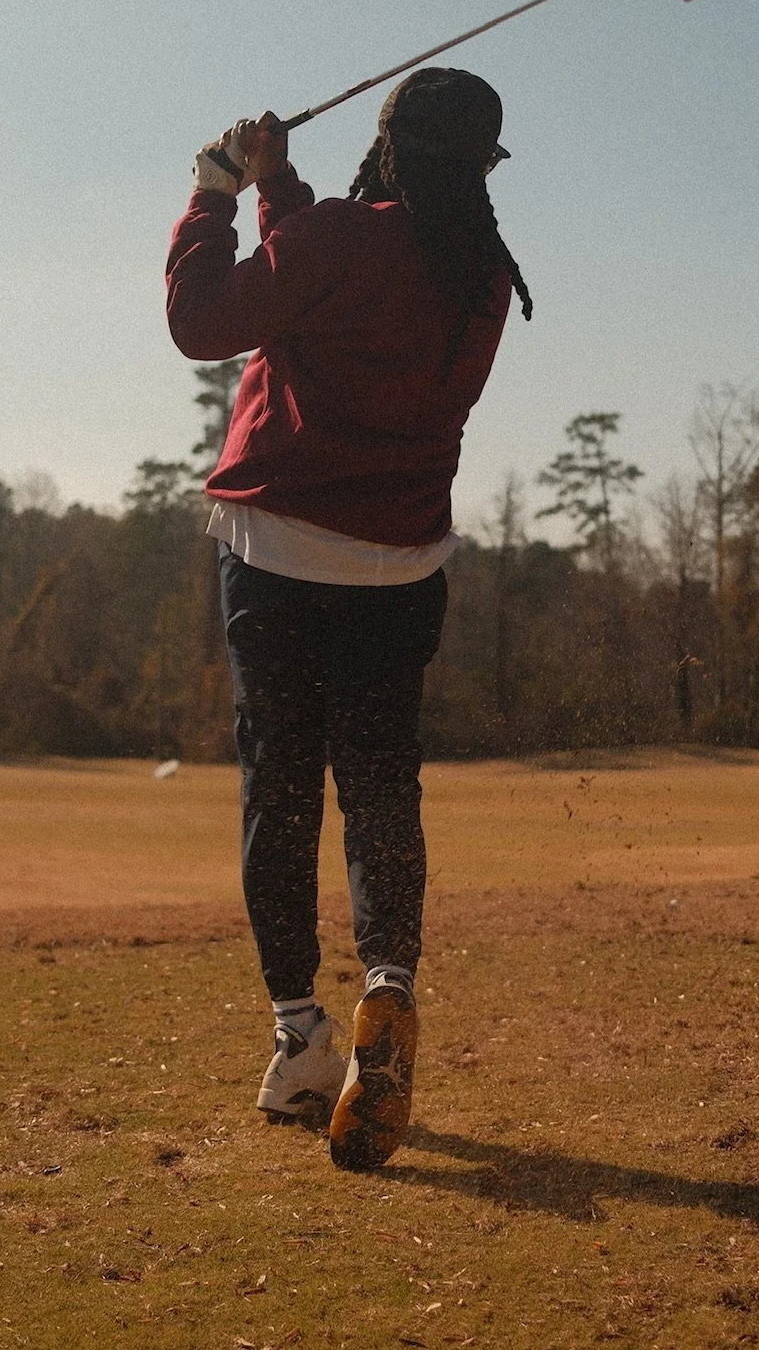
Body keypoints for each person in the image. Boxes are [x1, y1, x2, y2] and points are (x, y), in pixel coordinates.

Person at [165, 68, 530, 1171]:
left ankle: (301, 1036)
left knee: (280, 790)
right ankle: (389, 985)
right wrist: (284, 194)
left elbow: (203, 321)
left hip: (278, 552)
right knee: (379, 786)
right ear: (480, 169)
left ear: (388, 148)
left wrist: (216, 192)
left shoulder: (333, 240)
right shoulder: (485, 276)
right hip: (402, 567)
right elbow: (337, 282)